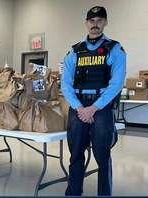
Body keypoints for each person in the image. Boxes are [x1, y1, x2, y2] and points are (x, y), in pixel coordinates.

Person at [61, 6, 126, 196]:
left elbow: (116, 84)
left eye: (99, 20)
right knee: (75, 155)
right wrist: (80, 107)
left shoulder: (115, 49)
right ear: (86, 23)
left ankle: (104, 194)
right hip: (78, 106)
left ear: (105, 22)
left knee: (103, 156)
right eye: (91, 20)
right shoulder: (74, 52)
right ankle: (73, 192)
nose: (95, 24)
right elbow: (65, 84)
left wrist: (93, 108)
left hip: (101, 107)